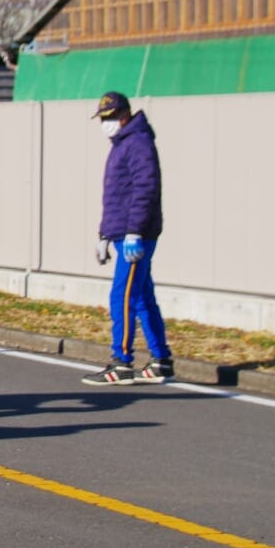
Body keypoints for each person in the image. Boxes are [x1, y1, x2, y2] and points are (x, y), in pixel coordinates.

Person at [83, 91, 173, 386]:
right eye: (102, 118)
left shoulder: (137, 143)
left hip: (135, 235)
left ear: (125, 114)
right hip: (123, 233)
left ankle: (121, 362)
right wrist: (104, 235)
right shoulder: (123, 144)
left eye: (110, 117)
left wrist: (135, 231)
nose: (105, 123)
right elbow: (116, 197)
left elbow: (145, 189)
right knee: (143, 297)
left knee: (122, 296)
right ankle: (161, 361)